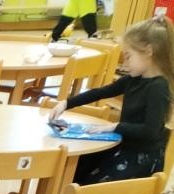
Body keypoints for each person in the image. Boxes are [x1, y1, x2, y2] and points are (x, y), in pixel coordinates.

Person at [50, 16, 173, 184]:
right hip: (124, 145)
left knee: (88, 182)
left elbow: (151, 131)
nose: (125, 64)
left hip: (140, 157)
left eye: (128, 57)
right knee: (78, 167)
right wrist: (66, 103)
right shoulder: (134, 79)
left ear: (149, 51)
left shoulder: (158, 87)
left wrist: (114, 126)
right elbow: (102, 92)